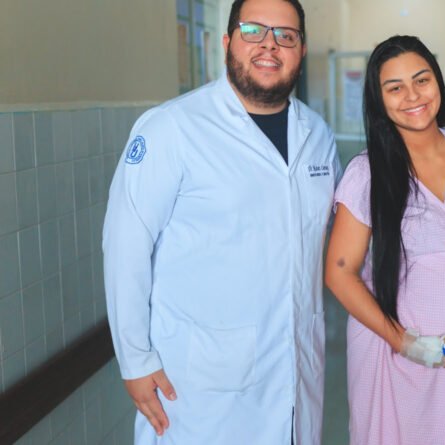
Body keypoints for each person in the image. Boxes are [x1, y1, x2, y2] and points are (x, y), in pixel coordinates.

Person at [102, 0, 339, 443]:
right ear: (228, 41)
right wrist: (134, 360)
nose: (269, 45)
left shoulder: (318, 136)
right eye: (253, 31)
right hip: (199, 392)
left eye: (286, 35)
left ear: (302, 50)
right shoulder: (172, 128)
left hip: (296, 378)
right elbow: (125, 246)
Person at [325, 35, 445, 445]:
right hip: (397, 355)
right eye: (395, 87)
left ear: (437, 82)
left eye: (421, 80)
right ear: (379, 100)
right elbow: (339, 273)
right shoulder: (367, 172)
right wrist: (407, 343)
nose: (412, 96)